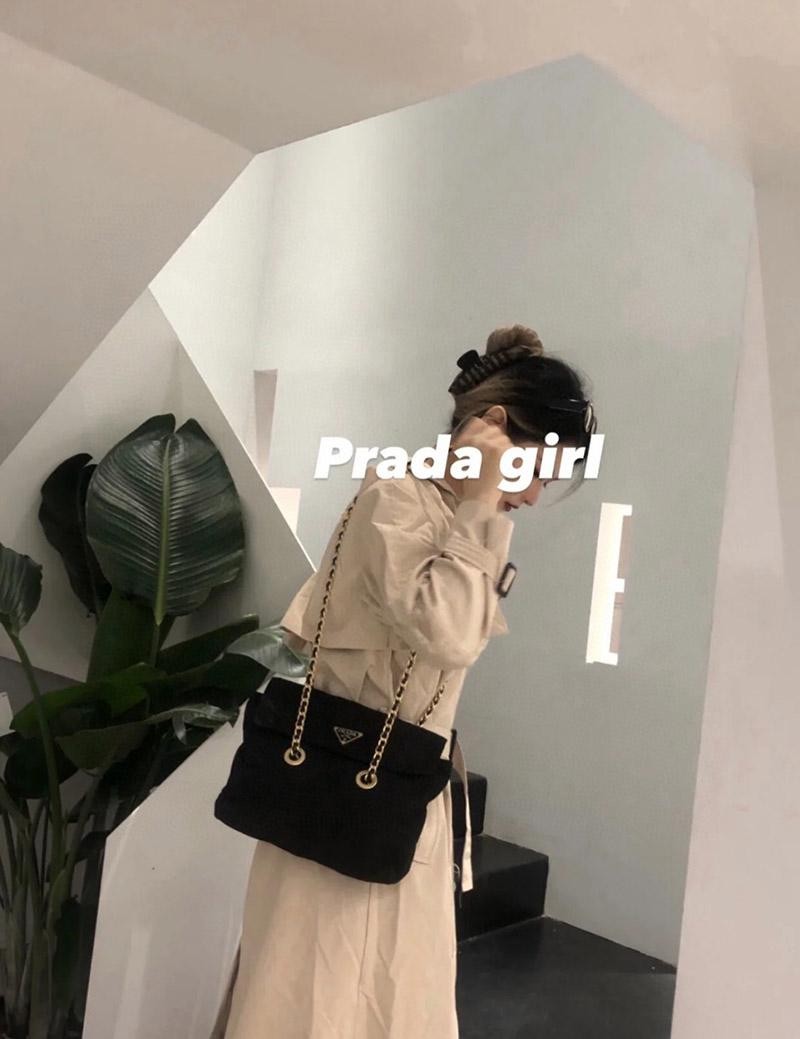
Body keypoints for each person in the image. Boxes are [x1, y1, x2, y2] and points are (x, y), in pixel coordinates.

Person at [213, 324, 597, 1038]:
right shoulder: (397, 500)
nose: (534, 495)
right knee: (314, 993)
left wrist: (481, 509)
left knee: (384, 995)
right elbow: (448, 634)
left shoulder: (459, 515)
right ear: (492, 429)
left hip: (394, 793)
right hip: (341, 791)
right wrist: (482, 504)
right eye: (537, 470)